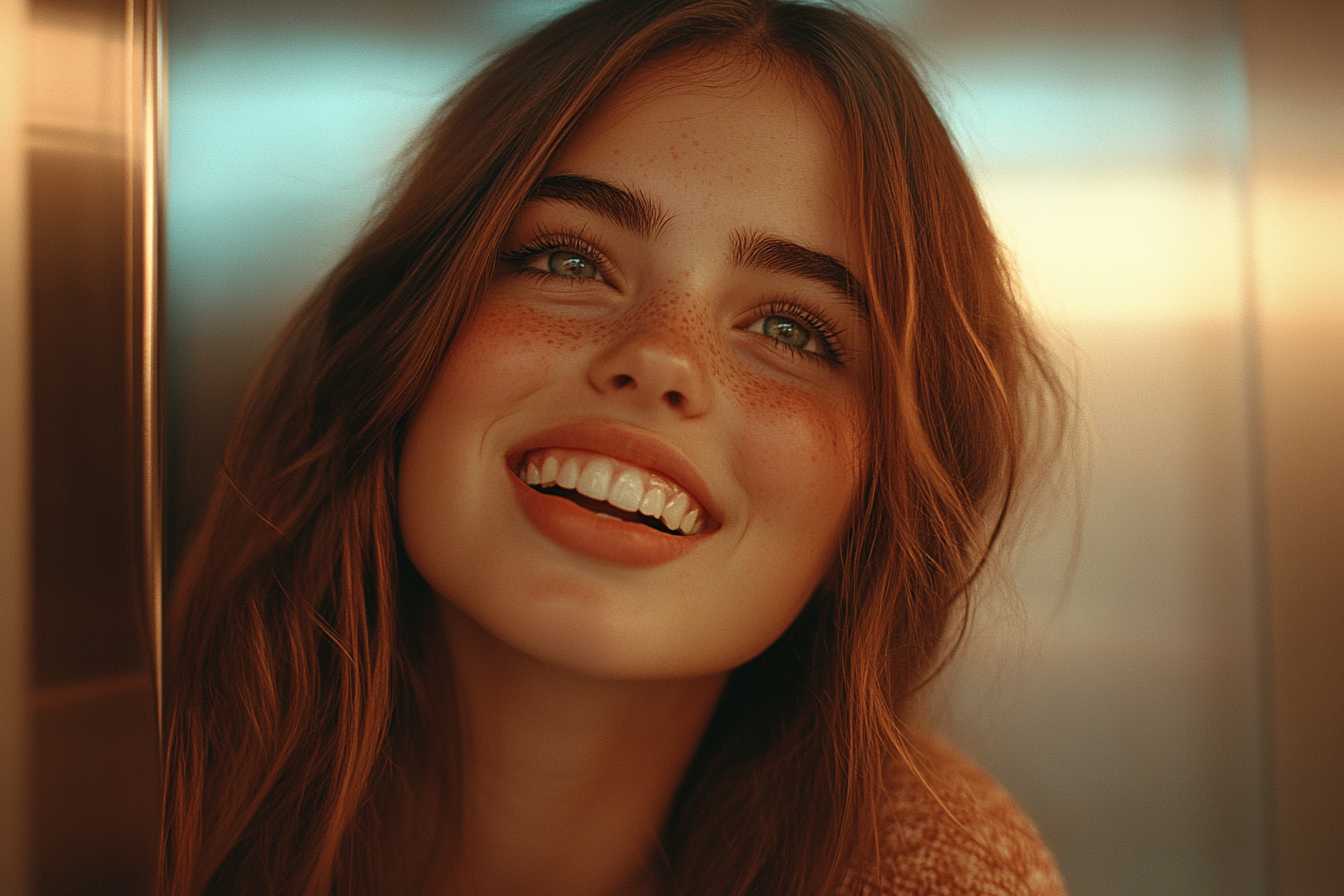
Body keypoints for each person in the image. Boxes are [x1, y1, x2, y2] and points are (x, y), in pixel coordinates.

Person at [160, 1, 1069, 894]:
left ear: (880, 506)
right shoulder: (70, 766)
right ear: (403, 335)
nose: (661, 358)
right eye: (569, 260)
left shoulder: (941, 872)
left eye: (792, 329)